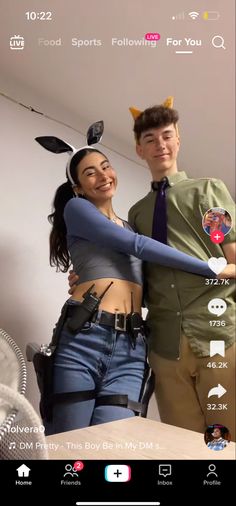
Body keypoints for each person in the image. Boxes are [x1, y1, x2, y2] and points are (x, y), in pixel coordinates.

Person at [35, 122, 233, 435]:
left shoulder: (131, 225)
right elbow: (138, 247)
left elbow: (152, 273)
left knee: (111, 443)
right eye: (90, 173)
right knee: (68, 442)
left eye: (105, 166)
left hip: (132, 346)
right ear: (78, 188)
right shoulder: (77, 209)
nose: (102, 176)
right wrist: (211, 267)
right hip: (87, 335)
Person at [127, 99, 236, 440]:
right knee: (182, 442)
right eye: (150, 139)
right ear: (139, 149)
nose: (160, 144)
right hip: (164, 343)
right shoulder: (137, 214)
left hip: (217, 331)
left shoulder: (207, 191)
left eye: (166, 135)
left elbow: (234, 259)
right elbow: (137, 274)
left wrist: (213, 272)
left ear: (178, 140)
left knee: (228, 438)